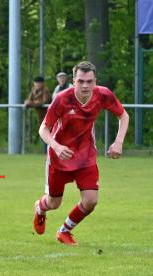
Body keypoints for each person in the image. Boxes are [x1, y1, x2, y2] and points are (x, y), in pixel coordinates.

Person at [32, 61, 129, 245]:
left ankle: (64, 231)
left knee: (91, 200)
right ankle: (40, 208)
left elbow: (123, 116)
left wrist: (118, 142)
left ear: (95, 81)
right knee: (54, 203)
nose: (85, 86)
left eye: (89, 81)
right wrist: (57, 147)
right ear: (74, 81)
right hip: (60, 158)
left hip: (85, 157)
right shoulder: (62, 99)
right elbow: (43, 129)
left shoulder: (103, 95)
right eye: (81, 81)